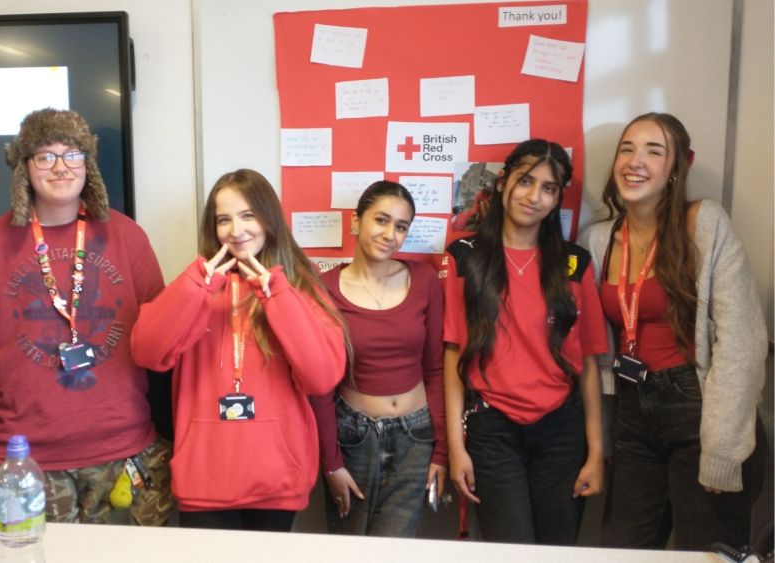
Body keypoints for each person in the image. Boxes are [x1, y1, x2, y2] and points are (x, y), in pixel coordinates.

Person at [0, 108, 173, 526]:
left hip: (127, 454)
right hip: (26, 462)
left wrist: (168, 436)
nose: (60, 167)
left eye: (72, 154)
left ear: (87, 165)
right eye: (45, 156)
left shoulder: (127, 236)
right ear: (24, 168)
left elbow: (159, 347)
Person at [579, 112, 766, 550]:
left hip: (698, 410)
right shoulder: (598, 240)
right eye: (627, 148)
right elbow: (596, 352)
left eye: (654, 151)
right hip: (632, 410)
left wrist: (722, 451)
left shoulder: (703, 223)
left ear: (677, 168)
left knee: (705, 552)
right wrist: (601, 438)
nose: (635, 161)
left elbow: (743, 339)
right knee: (621, 549)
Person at [131, 169, 347, 532]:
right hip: (205, 478)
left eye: (248, 215)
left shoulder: (299, 287)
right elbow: (146, 351)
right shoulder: (196, 287)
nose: (236, 230)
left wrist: (276, 293)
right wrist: (197, 285)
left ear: (270, 218)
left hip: (276, 478)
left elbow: (322, 376)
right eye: (224, 219)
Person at [443, 139, 607, 544]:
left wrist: (596, 453)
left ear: (557, 199)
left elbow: (586, 363)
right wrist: (455, 448)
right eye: (525, 181)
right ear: (503, 183)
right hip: (491, 428)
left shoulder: (574, 263)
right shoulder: (464, 257)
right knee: (509, 549)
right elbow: (452, 356)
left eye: (549, 188)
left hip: (562, 430)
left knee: (557, 548)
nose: (534, 197)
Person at [310, 181, 446, 537]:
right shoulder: (323, 288)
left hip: (415, 437)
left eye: (401, 227)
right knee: (349, 550)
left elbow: (435, 370)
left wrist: (441, 451)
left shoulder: (426, 281)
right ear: (356, 222)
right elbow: (320, 386)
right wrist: (331, 465)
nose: (390, 234)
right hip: (353, 436)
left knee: (394, 551)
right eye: (381, 220)